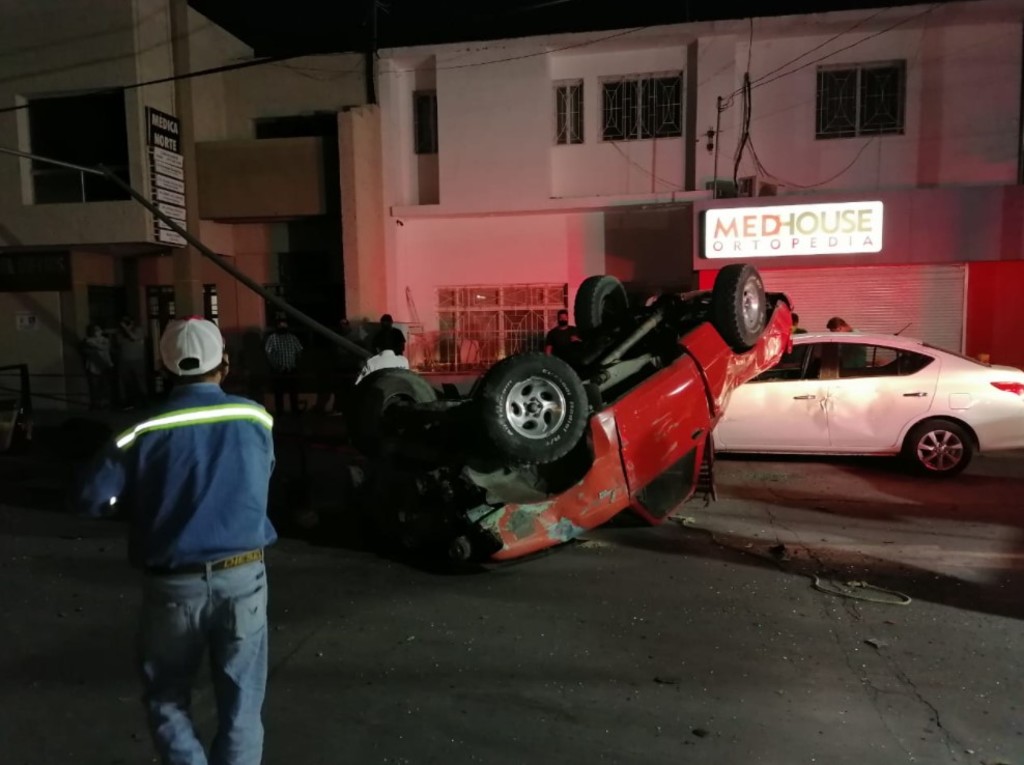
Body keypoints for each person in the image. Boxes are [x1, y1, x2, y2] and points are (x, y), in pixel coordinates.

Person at [74, 317, 277, 765]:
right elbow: (263, 476)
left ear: (166, 368)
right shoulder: (255, 417)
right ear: (224, 364)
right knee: (242, 706)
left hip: (173, 586)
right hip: (244, 577)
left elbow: (93, 498)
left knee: (167, 698)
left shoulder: (140, 430)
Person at [264, 318, 303, 414]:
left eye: (284, 325)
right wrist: (274, 365)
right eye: (280, 325)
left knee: (293, 392)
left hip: (291, 369)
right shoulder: (272, 338)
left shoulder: (292, 338)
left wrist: (297, 364)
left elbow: (299, 351)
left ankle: (295, 411)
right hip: (278, 370)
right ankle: (280, 412)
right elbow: (268, 353)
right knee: (278, 393)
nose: (282, 327)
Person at [113, 316, 148, 409]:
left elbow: (134, 337)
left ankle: (144, 402)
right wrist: (124, 330)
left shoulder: (139, 330)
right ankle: (127, 402)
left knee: (140, 381)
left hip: (138, 360)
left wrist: (126, 329)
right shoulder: (120, 333)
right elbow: (119, 342)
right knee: (125, 382)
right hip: (124, 361)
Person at [82, 323, 114, 410]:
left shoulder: (105, 340)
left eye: (98, 330)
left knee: (105, 386)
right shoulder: (88, 340)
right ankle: (96, 404)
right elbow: (89, 345)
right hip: (93, 367)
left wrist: (96, 345)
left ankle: (105, 404)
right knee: (94, 387)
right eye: (95, 330)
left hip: (105, 366)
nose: (97, 332)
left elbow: (104, 347)